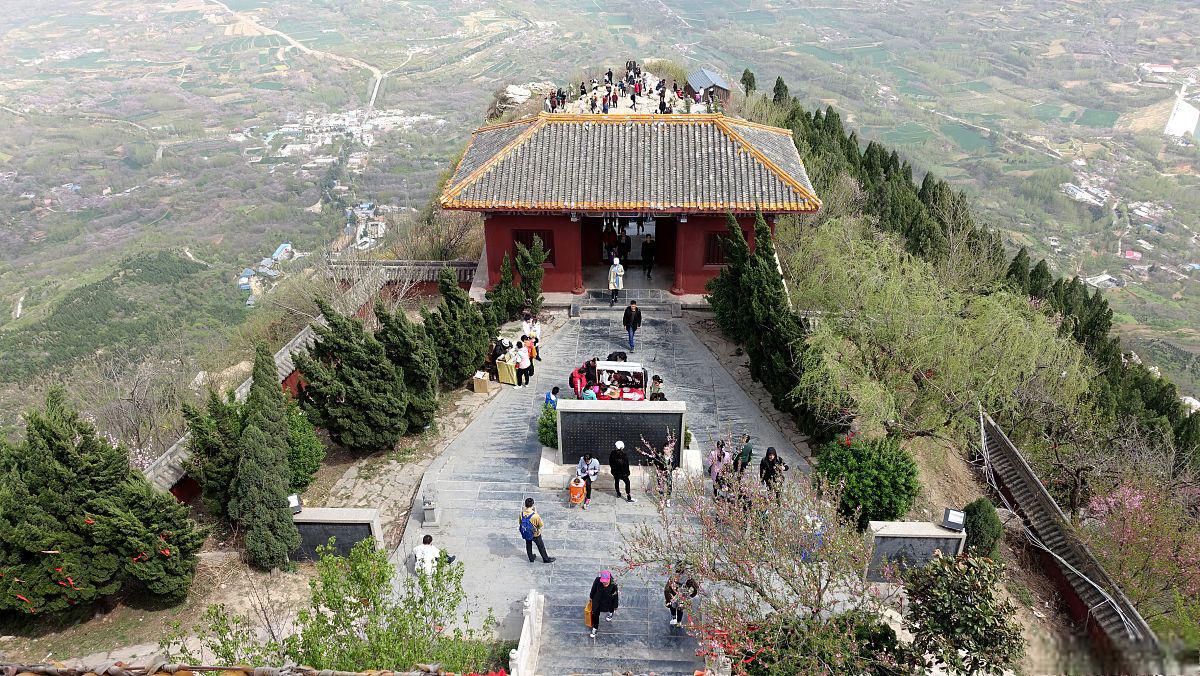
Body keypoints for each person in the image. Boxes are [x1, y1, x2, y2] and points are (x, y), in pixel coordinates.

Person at [519, 498, 555, 563]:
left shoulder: (521, 514)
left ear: (525, 505)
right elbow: (540, 525)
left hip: (527, 533)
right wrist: (536, 512)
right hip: (535, 534)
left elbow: (520, 523)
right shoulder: (535, 516)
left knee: (528, 545)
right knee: (541, 546)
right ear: (532, 505)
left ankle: (531, 558)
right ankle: (545, 559)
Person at [588, 570, 620, 638]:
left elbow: (615, 596)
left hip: (608, 601)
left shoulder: (613, 584)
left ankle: (611, 614)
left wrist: (615, 605)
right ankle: (595, 628)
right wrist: (591, 597)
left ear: (609, 579)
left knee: (611, 608)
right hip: (597, 601)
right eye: (603, 582)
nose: (604, 583)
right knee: (595, 614)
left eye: (606, 582)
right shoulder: (597, 580)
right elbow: (593, 589)